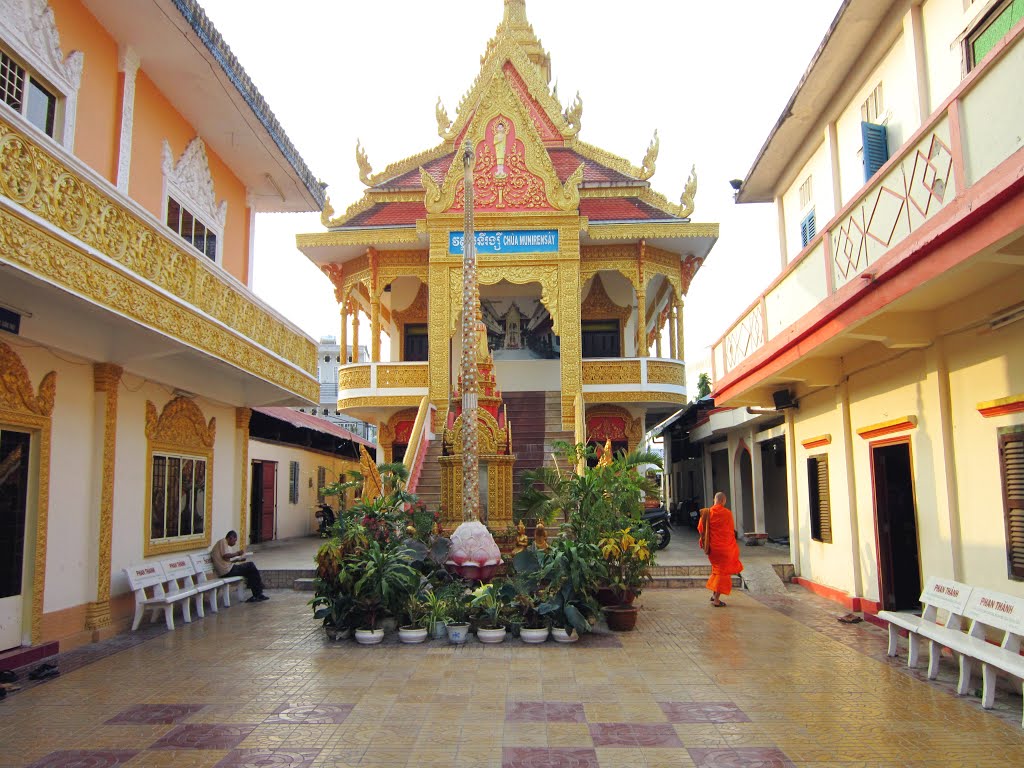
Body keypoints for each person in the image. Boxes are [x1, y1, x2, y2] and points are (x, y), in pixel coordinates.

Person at [697, 492, 743, 607]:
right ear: (723, 501)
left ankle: (714, 595)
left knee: (717, 570)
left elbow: (700, 528)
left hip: (713, 549)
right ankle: (716, 600)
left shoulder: (707, 513)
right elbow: (730, 531)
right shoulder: (727, 514)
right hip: (725, 549)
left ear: (714, 500)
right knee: (723, 573)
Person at [211, 530, 268, 602]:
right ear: (230, 537)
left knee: (250, 570)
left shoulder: (223, 544)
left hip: (227, 569)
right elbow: (225, 556)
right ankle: (258, 591)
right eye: (234, 541)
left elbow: (225, 560)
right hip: (227, 571)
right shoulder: (223, 541)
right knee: (250, 565)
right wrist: (237, 553)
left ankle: (257, 593)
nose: (235, 543)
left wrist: (238, 560)